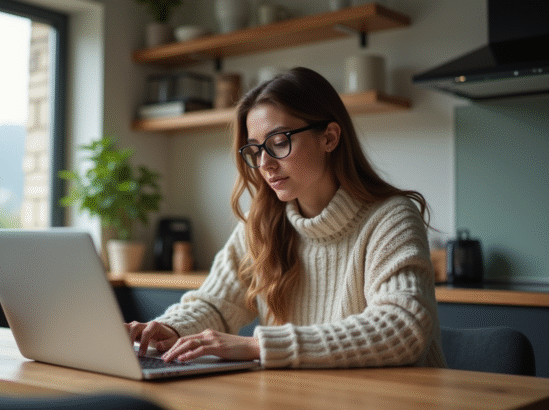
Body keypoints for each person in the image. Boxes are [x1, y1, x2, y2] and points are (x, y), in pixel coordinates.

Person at [126, 67, 446, 369]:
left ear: (330, 138)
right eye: (255, 149)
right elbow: (214, 303)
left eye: (279, 142)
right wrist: (170, 328)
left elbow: (403, 327)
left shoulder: (391, 218)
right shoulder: (261, 223)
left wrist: (258, 346)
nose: (264, 163)